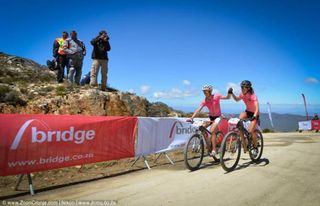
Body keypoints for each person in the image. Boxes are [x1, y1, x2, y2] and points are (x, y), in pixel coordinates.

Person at [188, 84, 231, 156]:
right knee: (202, 128)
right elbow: (198, 109)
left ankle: (214, 150)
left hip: (218, 117)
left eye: (206, 91)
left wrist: (229, 93)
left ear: (210, 91)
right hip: (211, 117)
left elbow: (227, 98)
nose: (204, 92)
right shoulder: (204, 100)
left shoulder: (216, 96)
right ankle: (208, 145)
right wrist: (192, 117)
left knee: (212, 130)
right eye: (203, 91)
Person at [229, 80, 260, 156]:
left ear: (248, 88)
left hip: (254, 114)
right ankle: (244, 143)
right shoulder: (242, 94)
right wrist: (231, 93)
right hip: (247, 112)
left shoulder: (253, 95)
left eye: (244, 87)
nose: (242, 88)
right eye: (242, 87)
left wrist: (255, 116)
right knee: (239, 119)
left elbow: (257, 107)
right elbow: (236, 100)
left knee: (250, 131)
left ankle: (255, 147)